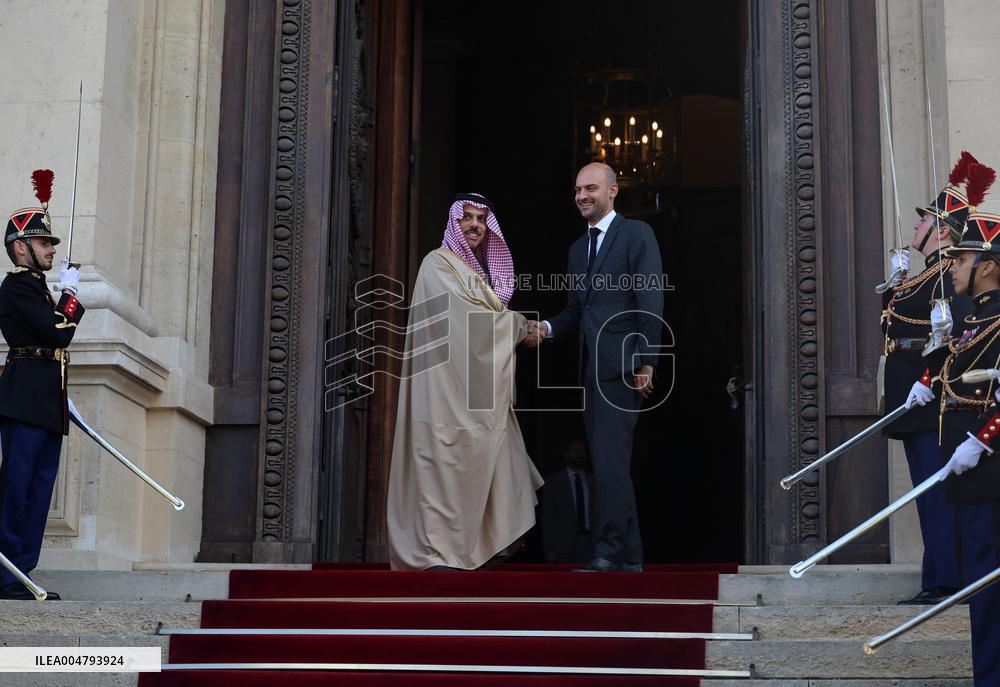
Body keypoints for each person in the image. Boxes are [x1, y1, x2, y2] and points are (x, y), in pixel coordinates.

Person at [387, 193, 543, 571]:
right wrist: (521, 325)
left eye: (481, 220)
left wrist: (513, 325)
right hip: (441, 389)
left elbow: (484, 322)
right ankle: (442, 551)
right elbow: (469, 323)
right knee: (443, 461)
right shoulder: (437, 264)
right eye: (466, 218)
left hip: (478, 388)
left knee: (503, 453)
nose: (475, 225)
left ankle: (488, 548)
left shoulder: (481, 274)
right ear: (453, 224)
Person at [528, 162, 664, 573]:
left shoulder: (637, 234)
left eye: (590, 188)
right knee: (610, 464)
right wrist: (545, 328)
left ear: (613, 191)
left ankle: (608, 551)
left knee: (608, 464)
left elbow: (650, 298)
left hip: (623, 368)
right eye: (576, 190)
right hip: (591, 373)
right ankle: (632, 556)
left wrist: (647, 361)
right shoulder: (576, 249)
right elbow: (574, 312)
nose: (582, 196)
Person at [909, 161, 999, 684]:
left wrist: (981, 440)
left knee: (986, 589)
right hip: (970, 471)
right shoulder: (975, 321)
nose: (955, 265)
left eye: (964, 257)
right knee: (980, 593)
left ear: (986, 266)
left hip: (987, 467)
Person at [881, 152, 977, 605]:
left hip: (931, 396)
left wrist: (925, 378)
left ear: (941, 230)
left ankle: (944, 581)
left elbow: (951, 338)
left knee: (935, 493)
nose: (915, 228)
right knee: (926, 491)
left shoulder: (946, 278)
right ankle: (939, 575)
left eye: (924, 222)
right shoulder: (926, 276)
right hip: (912, 397)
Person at [0, 171, 84, 601]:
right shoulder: (16, 287)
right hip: (22, 401)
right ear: (21, 247)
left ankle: (22, 574)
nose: (52, 249)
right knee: (17, 488)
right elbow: (57, 334)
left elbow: (54, 350)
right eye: (44, 242)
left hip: (46, 402)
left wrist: (64, 400)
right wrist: (71, 297)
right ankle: (5, 573)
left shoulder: (39, 291)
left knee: (38, 490)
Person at [541, 438, 595, 564]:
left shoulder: (594, 481)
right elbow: (548, 518)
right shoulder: (554, 482)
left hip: (590, 544)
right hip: (563, 547)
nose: (580, 454)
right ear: (566, 454)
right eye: (575, 450)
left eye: (582, 450)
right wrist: (549, 549)